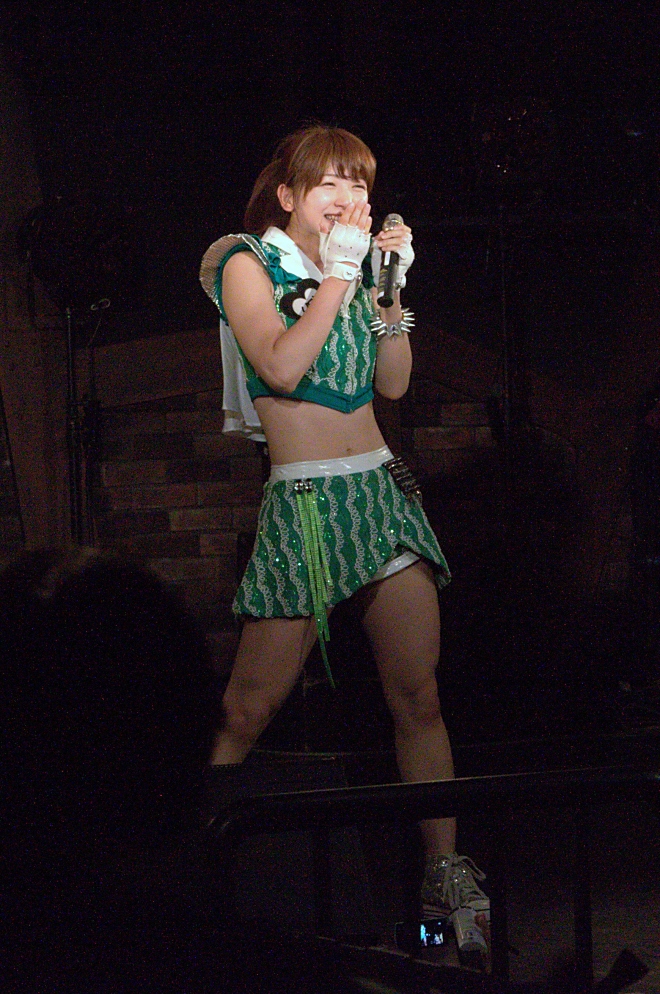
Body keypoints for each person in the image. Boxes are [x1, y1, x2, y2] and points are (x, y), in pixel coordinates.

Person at [200, 124, 490, 952]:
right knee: (248, 709)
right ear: (288, 195)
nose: (347, 197)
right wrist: (338, 274)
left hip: (379, 495)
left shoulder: (354, 269)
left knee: (418, 695)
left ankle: (445, 872)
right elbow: (281, 367)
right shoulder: (245, 262)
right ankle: (190, 861)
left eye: (357, 183)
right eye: (327, 182)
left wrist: (388, 291)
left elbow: (391, 384)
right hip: (308, 506)